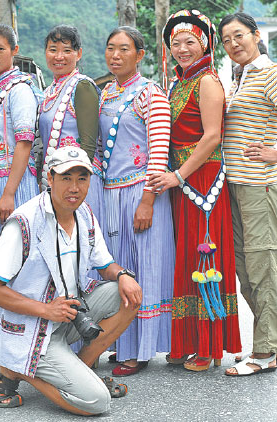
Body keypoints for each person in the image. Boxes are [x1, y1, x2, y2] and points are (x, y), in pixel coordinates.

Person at [0, 146, 143, 415]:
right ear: (50, 179)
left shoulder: (84, 214)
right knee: (97, 402)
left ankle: (82, 367)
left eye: (82, 178)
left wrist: (123, 275)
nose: (75, 187)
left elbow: (105, 265)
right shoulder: (24, 222)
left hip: (65, 315)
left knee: (127, 294)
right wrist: (46, 310)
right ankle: (13, 368)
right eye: (66, 178)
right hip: (27, 326)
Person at [218, 12, 277, 376]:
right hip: (238, 186)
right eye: (226, 40)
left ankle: (263, 355)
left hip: (260, 186)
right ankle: (276, 342)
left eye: (239, 35)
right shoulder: (239, 76)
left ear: (256, 35)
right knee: (248, 268)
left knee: (261, 268)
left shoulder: (269, 71)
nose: (233, 44)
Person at [149, 9, 242, 372]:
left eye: (190, 42)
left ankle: (210, 346)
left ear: (204, 43)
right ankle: (188, 339)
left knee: (205, 259)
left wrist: (179, 176)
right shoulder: (178, 81)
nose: (182, 49)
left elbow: (212, 137)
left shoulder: (207, 81)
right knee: (185, 258)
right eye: (175, 43)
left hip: (201, 181)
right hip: (184, 179)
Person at [99, 26, 175, 376]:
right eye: (111, 49)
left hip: (140, 193)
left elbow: (159, 152)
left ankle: (140, 350)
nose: (116, 55)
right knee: (118, 270)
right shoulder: (105, 94)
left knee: (142, 267)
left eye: (124, 49)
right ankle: (121, 340)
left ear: (139, 55)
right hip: (110, 194)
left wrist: (147, 199)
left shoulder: (150, 94)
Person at [0, 24, 40, 276]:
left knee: (15, 255)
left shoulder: (19, 89)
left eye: (0, 49)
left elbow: (24, 143)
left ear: (14, 50)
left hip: (13, 182)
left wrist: (9, 193)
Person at [39, 25, 104, 224]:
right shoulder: (49, 90)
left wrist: (75, 184)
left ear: (79, 54)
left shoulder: (82, 86)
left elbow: (88, 144)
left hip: (78, 183)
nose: (59, 56)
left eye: (67, 50)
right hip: (56, 181)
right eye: (53, 50)